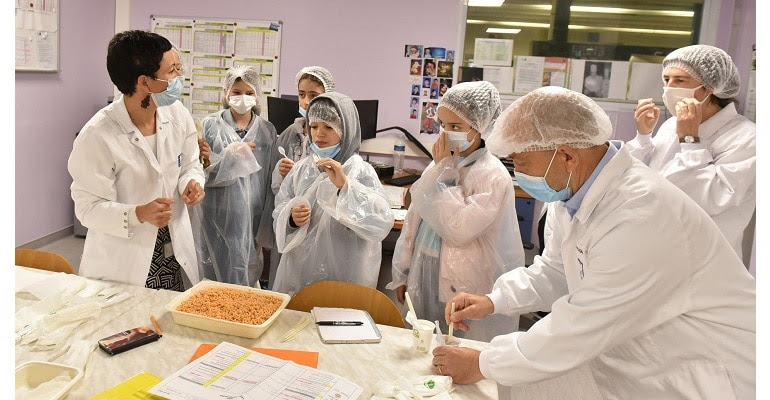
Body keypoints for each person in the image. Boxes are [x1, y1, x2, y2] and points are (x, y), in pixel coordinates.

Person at [431, 86, 755, 399]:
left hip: (715, 367)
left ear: (567, 156)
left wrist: (486, 364)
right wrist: (494, 299)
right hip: (650, 354)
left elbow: (583, 323)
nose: (520, 174)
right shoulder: (572, 193)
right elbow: (557, 271)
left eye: (522, 163)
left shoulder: (640, 212)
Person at [386, 81, 525, 341]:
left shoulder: (492, 175)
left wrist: (446, 177)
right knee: (420, 341)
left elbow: (459, 230)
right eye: (443, 125)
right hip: (424, 266)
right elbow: (414, 222)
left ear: (480, 126)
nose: (447, 133)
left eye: (456, 127)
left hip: (464, 282)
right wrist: (402, 272)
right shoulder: (439, 165)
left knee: (456, 344)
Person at [68, 30, 205, 290]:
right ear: (144, 82)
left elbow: (190, 163)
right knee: (127, 327)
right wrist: (137, 213)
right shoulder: (97, 135)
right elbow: (87, 209)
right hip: (123, 259)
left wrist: (192, 181)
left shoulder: (177, 114)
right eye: (172, 71)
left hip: (171, 250)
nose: (179, 78)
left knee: (167, 323)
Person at [627, 44, 755, 263]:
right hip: (656, 247)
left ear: (709, 88)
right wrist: (643, 137)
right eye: (666, 80)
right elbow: (641, 178)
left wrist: (690, 141)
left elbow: (712, 198)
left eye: (680, 81)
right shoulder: (670, 125)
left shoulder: (747, 137)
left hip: (706, 260)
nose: (669, 88)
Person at [272, 92, 395, 296]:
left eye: (329, 127)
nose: (319, 134)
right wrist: (291, 218)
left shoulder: (360, 172)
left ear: (346, 130)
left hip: (346, 275)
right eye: (314, 126)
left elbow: (380, 223)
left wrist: (345, 187)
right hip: (300, 273)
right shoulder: (301, 170)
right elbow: (279, 211)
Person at [194, 65, 278, 287]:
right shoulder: (210, 126)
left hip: (253, 212)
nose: (243, 98)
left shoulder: (267, 131)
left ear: (258, 95)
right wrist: (232, 157)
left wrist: (266, 225)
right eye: (237, 92)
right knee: (213, 268)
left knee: (246, 267)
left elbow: (270, 178)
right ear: (226, 93)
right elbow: (204, 174)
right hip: (217, 211)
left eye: (249, 93)